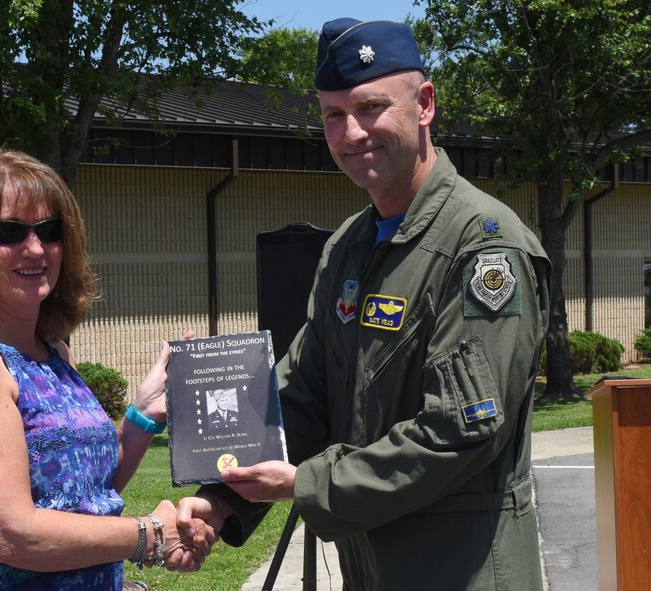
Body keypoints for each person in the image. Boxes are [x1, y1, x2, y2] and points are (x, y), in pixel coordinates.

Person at [178, 17, 551, 590]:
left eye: (371, 107)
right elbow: (303, 395)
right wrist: (222, 497)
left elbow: (459, 433)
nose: (351, 133)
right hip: (371, 571)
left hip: (462, 573)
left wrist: (306, 484)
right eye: (333, 114)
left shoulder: (482, 247)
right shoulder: (348, 248)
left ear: (424, 105)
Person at [0, 149, 211, 590]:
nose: (35, 248)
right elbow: (13, 534)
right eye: (9, 231)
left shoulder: (53, 352)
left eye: (50, 230)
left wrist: (145, 414)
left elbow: (85, 493)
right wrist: (149, 533)